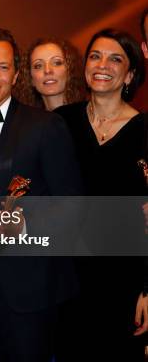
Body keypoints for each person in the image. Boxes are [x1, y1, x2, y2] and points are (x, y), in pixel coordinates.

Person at [0, 27, 82, 361]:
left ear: (15, 74)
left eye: (3, 67)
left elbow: (72, 206)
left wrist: (24, 226)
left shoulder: (45, 126)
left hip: (30, 288)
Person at [55, 28, 147, 361]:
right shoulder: (61, 123)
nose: (102, 64)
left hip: (124, 281)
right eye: (95, 56)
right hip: (68, 279)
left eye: (115, 58)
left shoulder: (144, 131)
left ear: (130, 74)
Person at [16, 38, 85, 111]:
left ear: (70, 71)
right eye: (38, 66)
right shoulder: (25, 120)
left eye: (57, 63)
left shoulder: (90, 116)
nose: (47, 70)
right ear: (30, 78)